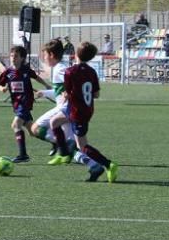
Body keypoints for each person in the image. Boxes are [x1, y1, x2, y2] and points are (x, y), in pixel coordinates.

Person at [47, 42, 118, 183]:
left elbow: (66, 94)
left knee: (82, 146)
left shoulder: (70, 72)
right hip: (84, 108)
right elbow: (96, 94)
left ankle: (108, 164)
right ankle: (64, 153)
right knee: (54, 122)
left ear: (76, 54)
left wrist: (68, 95)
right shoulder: (92, 71)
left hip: (77, 112)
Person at [0, 45, 50, 163]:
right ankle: (57, 143)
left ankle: (23, 154)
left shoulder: (26, 69)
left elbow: (36, 77)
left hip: (25, 102)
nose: (13, 58)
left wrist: (46, 86)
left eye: (16, 56)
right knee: (33, 131)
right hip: (16, 104)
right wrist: (2, 89)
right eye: (11, 56)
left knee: (15, 125)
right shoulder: (8, 72)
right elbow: (0, 84)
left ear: (22, 58)